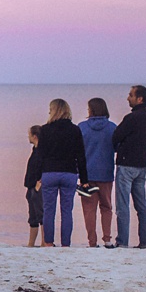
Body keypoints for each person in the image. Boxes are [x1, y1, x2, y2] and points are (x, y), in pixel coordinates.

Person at [35, 99, 90, 247]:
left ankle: (48, 242)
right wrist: (84, 179)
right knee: (67, 211)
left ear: (53, 111)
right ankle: (66, 244)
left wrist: (37, 176)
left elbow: (40, 155)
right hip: (69, 173)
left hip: (50, 172)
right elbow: (81, 156)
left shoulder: (44, 130)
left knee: (49, 210)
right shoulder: (75, 130)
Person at [112, 84, 146, 249]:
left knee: (123, 205)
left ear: (140, 98)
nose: (127, 98)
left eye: (130, 95)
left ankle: (122, 241)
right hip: (141, 164)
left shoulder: (132, 118)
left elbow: (116, 136)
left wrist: (119, 147)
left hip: (126, 164)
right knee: (142, 205)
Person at [77, 98, 118, 248]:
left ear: (91, 110)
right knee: (106, 207)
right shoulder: (112, 128)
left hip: (87, 174)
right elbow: (117, 147)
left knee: (89, 210)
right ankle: (107, 239)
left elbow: (77, 151)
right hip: (106, 173)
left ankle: (92, 242)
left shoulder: (82, 127)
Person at [24, 125, 44, 247]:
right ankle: (31, 243)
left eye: (29, 134)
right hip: (30, 186)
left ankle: (44, 242)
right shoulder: (35, 150)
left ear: (35, 136)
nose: (28, 137)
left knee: (41, 214)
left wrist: (39, 183)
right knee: (33, 217)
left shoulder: (41, 151)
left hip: (36, 186)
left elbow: (42, 166)